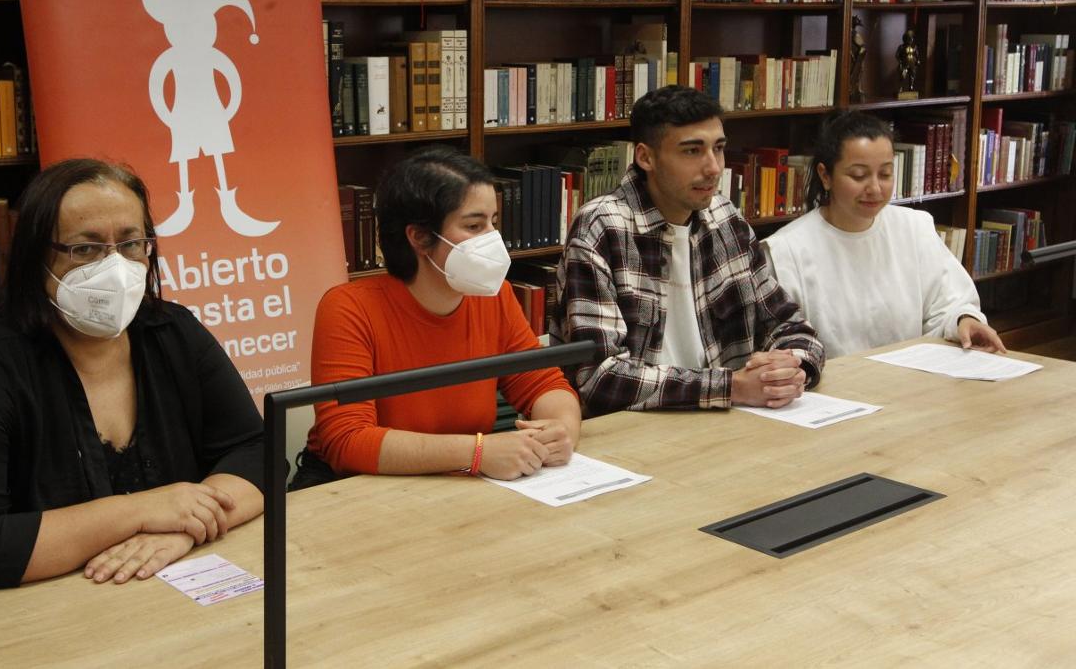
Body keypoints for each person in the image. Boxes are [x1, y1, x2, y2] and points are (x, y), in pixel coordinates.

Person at [0, 159, 265, 666]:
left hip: (136, 610)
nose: (114, 265)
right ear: (38, 257)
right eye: (85, 248)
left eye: (130, 243)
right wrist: (142, 510)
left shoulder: (173, 331)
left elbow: (254, 451)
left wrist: (182, 526)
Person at [292, 146, 581, 489]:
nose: (492, 238)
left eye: (494, 223)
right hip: (352, 485)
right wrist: (477, 452)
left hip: (458, 479)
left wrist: (561, 430)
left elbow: (544, 384)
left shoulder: (495, 295)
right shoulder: (348, 308)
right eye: (474, 225)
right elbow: (348, 441)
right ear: (419, 237)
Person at [554, 85, 825, 416]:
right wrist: (732, 387)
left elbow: (792, 328)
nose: (713, 167)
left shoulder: (725, 219)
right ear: (645, 157)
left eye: (719, 148)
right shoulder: (601, 228)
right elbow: (599, 378)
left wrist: (790, 369)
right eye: (692, 151)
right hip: (634, 434)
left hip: (726, 421)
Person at [763, 111, 1005, 359]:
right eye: (859, 175)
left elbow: (950, 304)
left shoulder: (914, 227)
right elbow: (784, 343)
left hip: (909, 382)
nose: (875, 188)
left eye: (886, 174)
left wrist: (964, 320)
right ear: (825, 176)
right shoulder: (786, 251)